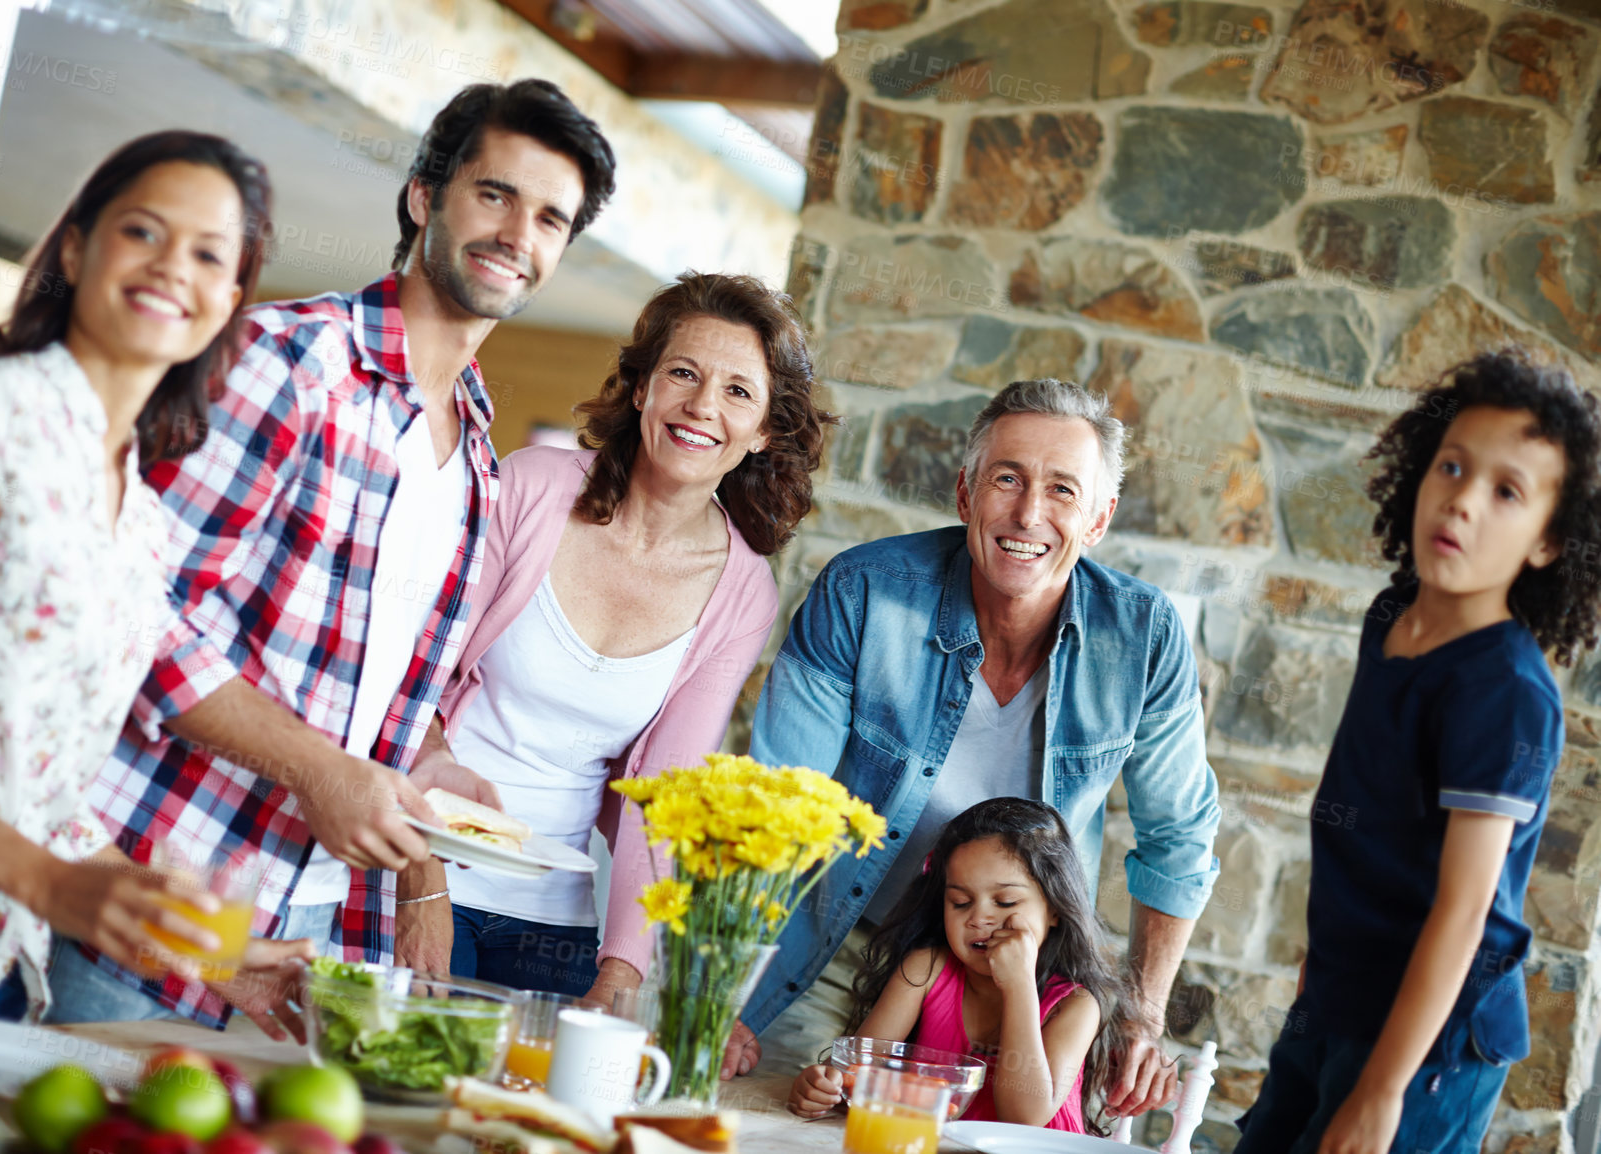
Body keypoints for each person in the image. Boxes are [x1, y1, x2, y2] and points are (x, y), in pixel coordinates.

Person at [45, 80, 616, 1037]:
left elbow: (374, 683)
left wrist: (429, 770)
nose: (519, 232)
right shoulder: (284, 362)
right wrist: (317, 770)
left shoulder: (479, 453)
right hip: (153, 884)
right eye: (495, 195)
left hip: (318, 931)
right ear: (423, 197)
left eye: (551, 217)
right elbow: (132, 620)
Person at [0, 131, 293, 1020]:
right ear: (76, 246)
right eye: (143, 231)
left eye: (211, 254)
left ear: (229, 302)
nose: (173, 266)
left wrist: (200, 944)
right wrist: (47, 884)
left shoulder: (139, 518)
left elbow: (37, 785)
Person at [735, 378, 1221, 1120]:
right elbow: (776, 798)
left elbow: (1177, 838)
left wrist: (1140, 1017)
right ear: (965, 494)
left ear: (1098, 519)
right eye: (1007, 479)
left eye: (1063, 490)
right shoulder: (863, 592)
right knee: (785, 1128)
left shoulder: (1144, 636)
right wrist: (733, 978)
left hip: (1012, 983)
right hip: (835, 948)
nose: (1029, 513)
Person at [1233, 352, 1601, 1154]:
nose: (1463, 500)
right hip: (1338, 996)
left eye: (1507, 491)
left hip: (1431, 1043)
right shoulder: (1392, 613)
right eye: (1453, 466)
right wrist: (1318, 970)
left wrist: (1381, 1090)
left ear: (1548, 543)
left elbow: (1465, 911)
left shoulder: (1505, 689)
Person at [434, 272, 834, 997]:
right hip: (416, 867)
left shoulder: (743, 594)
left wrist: (621, 974)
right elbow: (414, 677)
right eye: (682, 373)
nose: (702, 407)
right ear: (642, 386)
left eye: (738, 391)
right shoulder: (531, 487)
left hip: (551, 923)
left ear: (766, 430)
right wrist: (416, 884)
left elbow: (662, 792)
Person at [789, 799, 1133, 1133]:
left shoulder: (1077, 1005)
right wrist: (823, 1086)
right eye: (961, 902)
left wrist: (1019, 985)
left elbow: (1024, 1119)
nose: (979, 917)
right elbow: (856, 1076)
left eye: (1006, 901)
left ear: (1055, 908)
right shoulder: (924, 971)